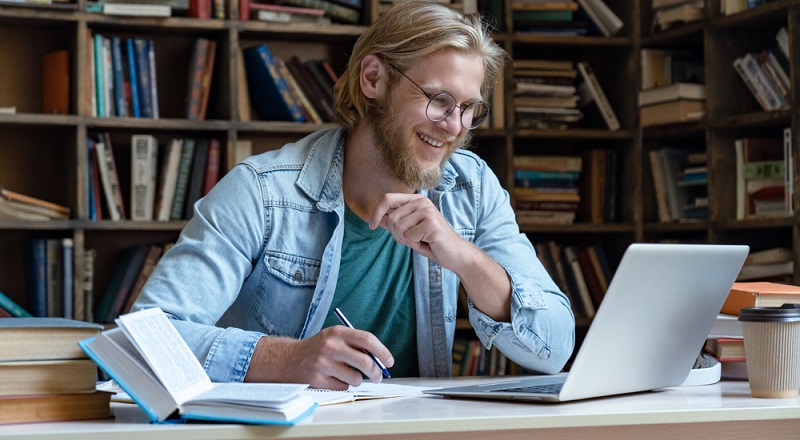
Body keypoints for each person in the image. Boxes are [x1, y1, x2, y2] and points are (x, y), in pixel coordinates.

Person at [133, 1, 575, 390]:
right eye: (440, 100)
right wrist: (288, 360)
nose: (454, 126)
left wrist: (463, 256)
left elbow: (553, 348)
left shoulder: (471, 188)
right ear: (373, 78)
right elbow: (144, 341)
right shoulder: (262, 191)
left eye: (467, 109)